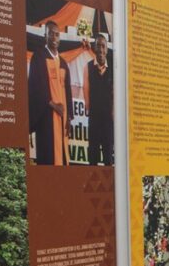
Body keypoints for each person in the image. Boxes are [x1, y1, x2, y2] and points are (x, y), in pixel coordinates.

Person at [28, 20, 73, 165]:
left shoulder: (64, 63)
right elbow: (35, 86)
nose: (54, 38)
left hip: (62, 119)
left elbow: (68, 92)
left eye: (57, 34)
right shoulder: (39, 57)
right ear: (45, 36)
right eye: (51, 34)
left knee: (63, 158)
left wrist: (69, 118)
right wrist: (53, 105)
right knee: (49, 156)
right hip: (47, 117)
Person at [84, 33, 114, 166]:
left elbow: (114, 92)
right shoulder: (88, 67)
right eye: (98, 46)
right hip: (94, 120)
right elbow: (86, 90)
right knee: (93, 157)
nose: (101, 49)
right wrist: (91, 110)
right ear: (94, 48)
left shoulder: (113, 68)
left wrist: (112, 114)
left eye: (103, 46)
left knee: (108, 157)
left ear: (107, 49)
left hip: (108, 120)